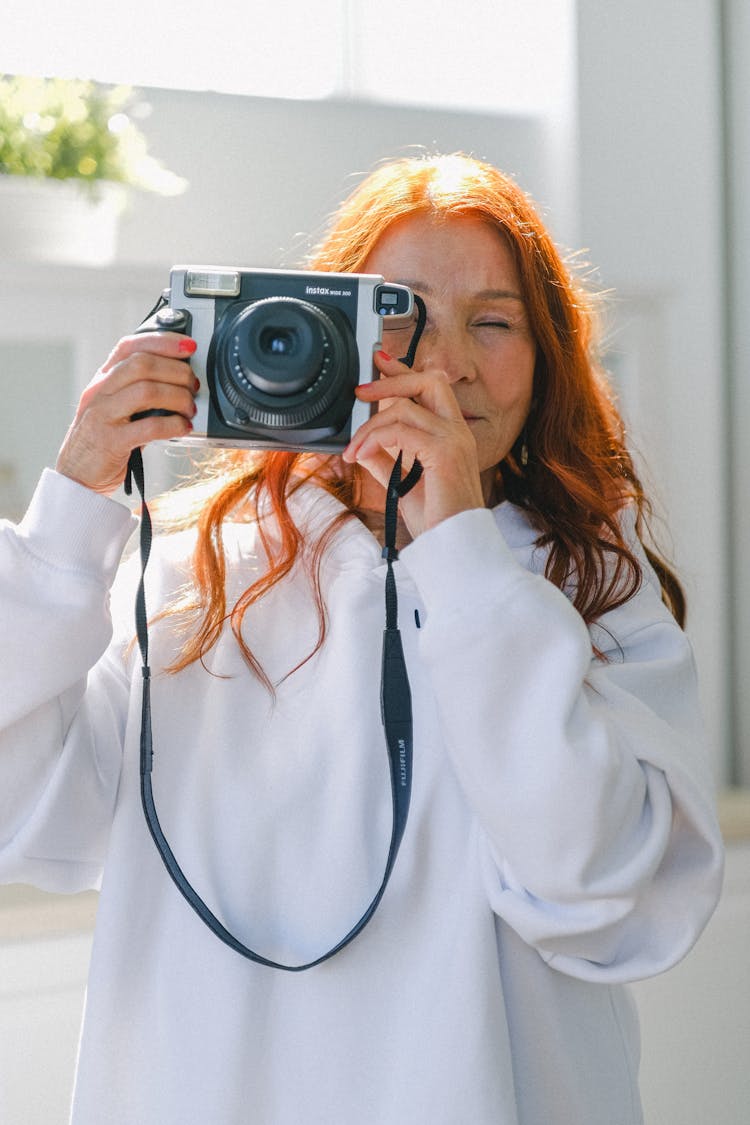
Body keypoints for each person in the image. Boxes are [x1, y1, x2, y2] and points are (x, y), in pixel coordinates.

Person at [0, 153, 723, 1125]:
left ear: (549, 355)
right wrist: (71, 516)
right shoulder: (198, 565)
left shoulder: (592, 576)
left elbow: (607, 895)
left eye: (496, 321)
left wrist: (461, 551)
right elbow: (30, 813)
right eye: (403, 312)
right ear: (326, 330)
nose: (451, 361)